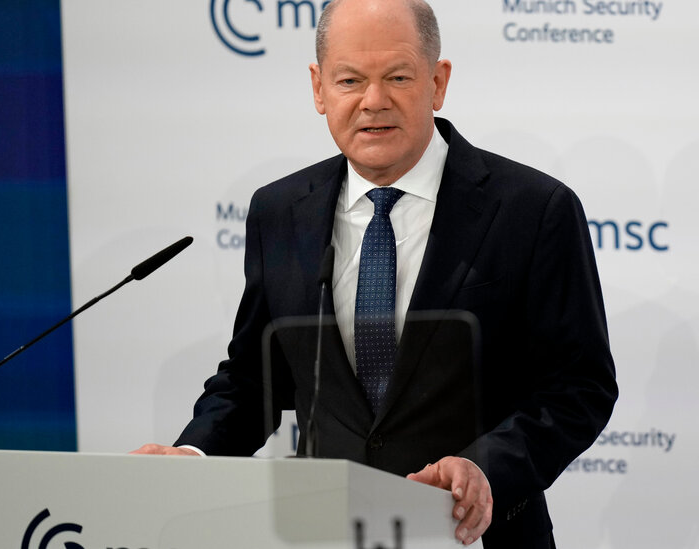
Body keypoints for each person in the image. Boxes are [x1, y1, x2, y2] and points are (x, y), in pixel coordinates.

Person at [133, 0, 617, 546]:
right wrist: (193, 455)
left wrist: (486, 468)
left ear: (437, 82)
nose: (373, 100)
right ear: (319, 88)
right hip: (321, 531)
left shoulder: (532, 209)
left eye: (398, 77)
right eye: (350, 80)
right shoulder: (279, 211)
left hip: (473, 535)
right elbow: (254, 380)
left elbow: (579, 387)